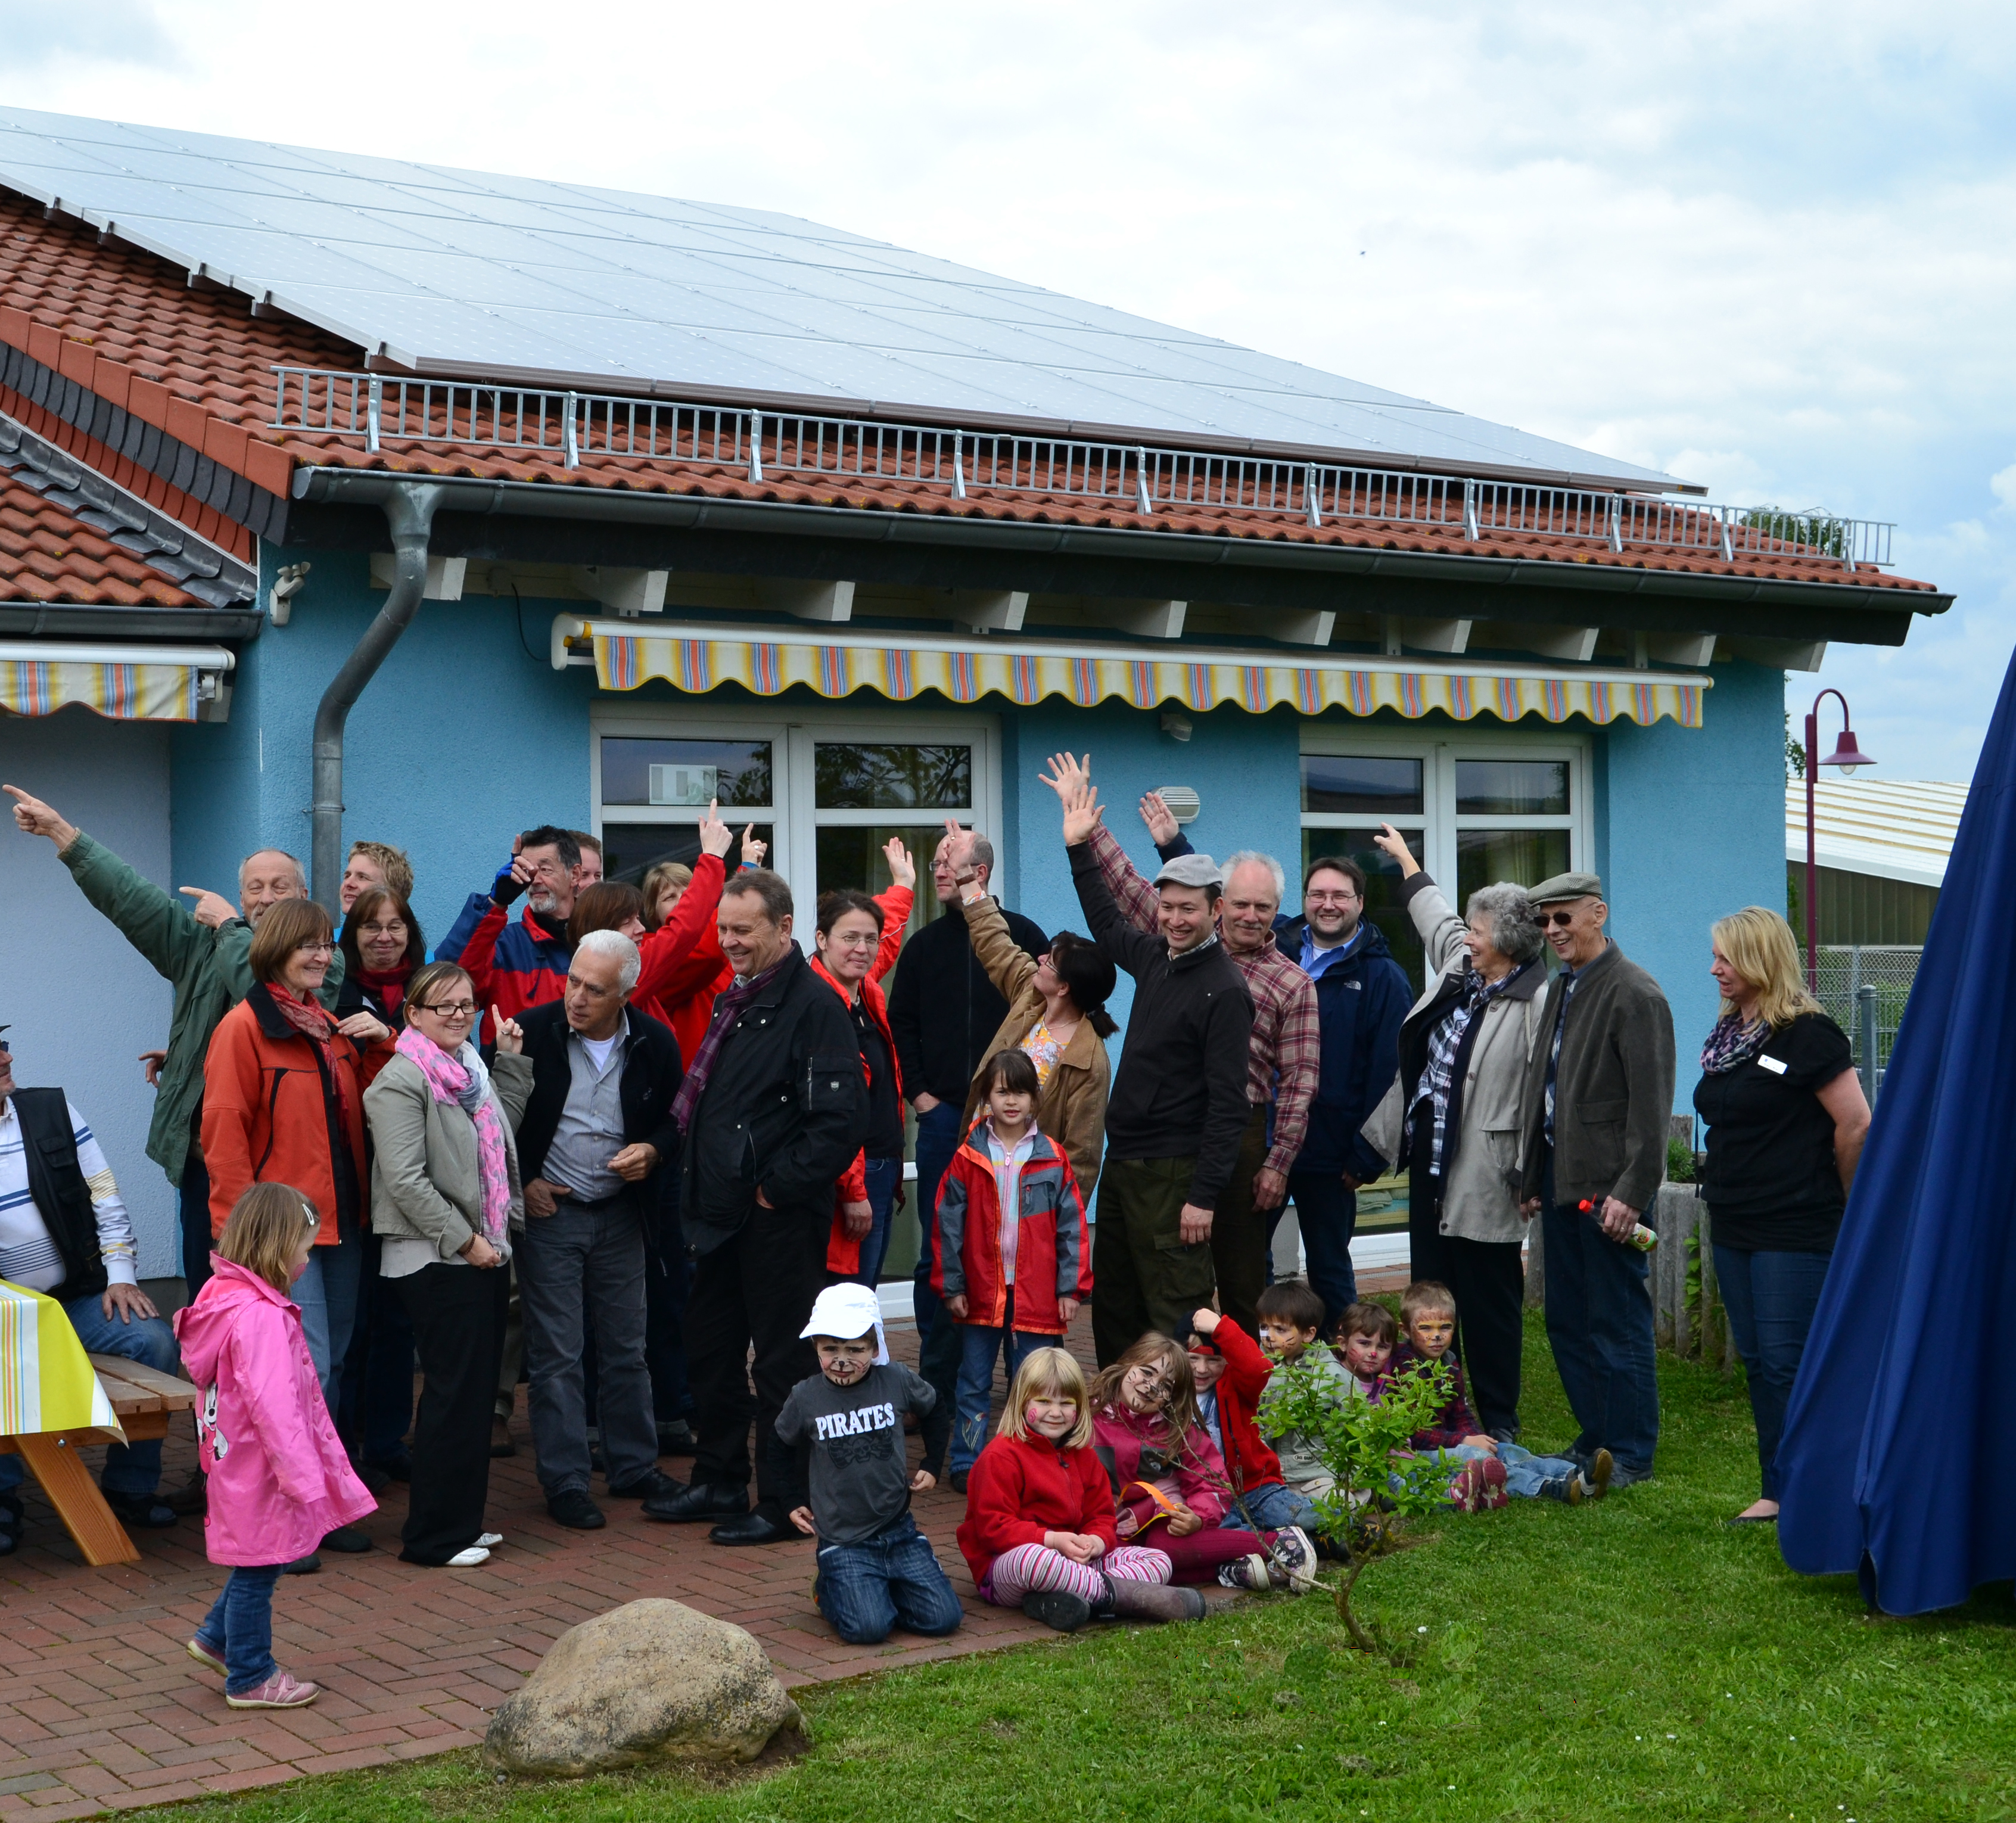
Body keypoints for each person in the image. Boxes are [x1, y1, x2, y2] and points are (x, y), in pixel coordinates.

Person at [5, 785, 332, 1311]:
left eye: (279, 887)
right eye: (253, 888)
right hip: (206, 1161)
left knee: (290, 1312)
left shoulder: (322, 962)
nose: (265, 898)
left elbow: (261, 989)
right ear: (241, 893)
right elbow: (134, 901)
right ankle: (213, 1395)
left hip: (286, 1174)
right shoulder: (200, 945)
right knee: (212, 1296)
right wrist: (64, 836)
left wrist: (229, 925)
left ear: (303, 893)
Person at [645, 870, 866, 1545]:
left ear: (784, 928)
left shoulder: (814, 1005)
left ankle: (782, 1500)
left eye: (744, 930)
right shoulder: (737, 997)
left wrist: (776, 1191)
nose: (730, 943)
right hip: (717, 1217)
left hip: (774, 1220)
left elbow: (837, 1124)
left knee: (779, 1364)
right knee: (709, 1348)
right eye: (724, 931)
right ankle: (717, 1478)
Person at [1074, 782, 1319, 1337]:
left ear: (1276, 912)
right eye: (1242, 904)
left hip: (1244, 1129)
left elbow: (1301, 1083)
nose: (1251, 915)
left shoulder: (1291, 982)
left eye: (1263, 907)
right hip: (1179, 1135)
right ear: (1222, 906)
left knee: (1238, 1275)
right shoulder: (1170, 951)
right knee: (1168, 1269)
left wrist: (1278, 1163)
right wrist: (1089, 830)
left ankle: (1242, 1398)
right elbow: (1139, 893)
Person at [1043, 758, 1253, 1363]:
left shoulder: (1225, 990)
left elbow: (1227, 1105)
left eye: (1188, 909)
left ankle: (1176, 1446)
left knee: (1173, 1318)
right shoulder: (1158, 957)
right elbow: (1108, 925)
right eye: (1167, 907)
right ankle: (1118, 1433)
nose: (1175, 919)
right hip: (1126, 1166)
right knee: (1114, 1306)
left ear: (1215, 911)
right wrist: (1078, 847)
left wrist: (1204, 1198)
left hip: (1175, 1176)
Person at [1361, 827, 1547, 1439]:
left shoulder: (1535, 1002)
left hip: (1488, 1179)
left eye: (1480, 931)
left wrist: (1533, 1171)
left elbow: (1546, 1097)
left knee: (1488, 1307)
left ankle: (1499, 1421)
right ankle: (1435, 1415)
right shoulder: (1461, 968)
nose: (1468, 936)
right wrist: (1407, 861)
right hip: (1432, 1169)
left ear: (1510, 947)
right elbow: (1436, 919)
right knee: (1431, 1302)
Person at [201, 898, 393, 1465]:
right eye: (308, 944)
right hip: (280, 1236)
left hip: (342, 1227)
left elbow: (377, 1102)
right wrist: (239, 1233)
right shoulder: (244, 1028)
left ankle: (321, 1493)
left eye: (327, 944)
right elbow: (223, 1133)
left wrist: (381, 1041)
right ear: (275, 950)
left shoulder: (331, 1027)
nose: (321, 955)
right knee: (299, 1364)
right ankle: (293, 1500)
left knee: (328, 1363)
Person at [1694, 906, 1869, 1525]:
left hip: (1794, 1225)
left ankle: (1825, 1491)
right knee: (1760, 1362)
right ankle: (1779, 1488)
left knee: (1791, 1362)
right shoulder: (1730, 1037)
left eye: (1726, 958)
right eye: (1715, 957)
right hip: (1734, 1219)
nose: (1715, 969)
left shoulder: (1809, 1034)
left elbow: (1855, 1124)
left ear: (1761, 960)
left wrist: (1848, 1202)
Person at [175, 1183, 376, 1708]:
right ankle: (250, 1675)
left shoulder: (223, 1298)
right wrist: (302, 1475)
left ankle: (216, 1638)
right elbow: (276, 1408)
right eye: (305, 1249)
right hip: (263, 1466)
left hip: (234, 1462)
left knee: (257, 1559)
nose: (308, 1261)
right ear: (277, 1246)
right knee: (262, 1568)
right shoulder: (262, 1316)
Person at [512, 931, 683, 1528]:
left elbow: (675, 1121)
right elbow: (491, 1120)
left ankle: (632, 1465)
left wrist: (653, 1152)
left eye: (595, 989)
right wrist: (525, 1179)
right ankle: (564, 1480)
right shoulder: (530, 1032)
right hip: (552, 1213)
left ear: (627, 995)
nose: (577, 998)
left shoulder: (655, 1043)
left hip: (621, 1213)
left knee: (626, 1349)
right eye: (573, 982)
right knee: (557, 1354)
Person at [363, 963, 530, 1567]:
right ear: (412, 1014)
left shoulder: (469, 1074)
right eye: (444, 1007)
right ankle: (431, 1538)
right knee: (452, 1394)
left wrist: (509, 1062)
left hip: (479, 1250)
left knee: (475, 1394)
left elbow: (494, 1139)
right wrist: (465, 1241)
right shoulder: (400, 1081)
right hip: (434, 1256)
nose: (459, 1015)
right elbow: (405, 1181)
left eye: (466, 1005)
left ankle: (462, 1524)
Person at [1516, 871, 1675, 1490]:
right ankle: (1596, 1434)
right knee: (1568, 1319)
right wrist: (1532, 1173)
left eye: (1565, 919)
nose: (1554, 931)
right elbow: (1542, 1090)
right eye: (1544, 922)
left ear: (1598, 913)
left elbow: (1651, 1106)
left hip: (1610, 1188)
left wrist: (1631, 1195)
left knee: (1616, 1320)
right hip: (1563, 1177)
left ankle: (1631, 1450)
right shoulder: (1563, 988)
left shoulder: (1635, 993)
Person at [0, 1027, 183, 1548]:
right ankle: (4, 1494)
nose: (7, 1056)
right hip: (6, 1321)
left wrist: (120, 1275)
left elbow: (104, 1194)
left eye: (4, 1043)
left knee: (151, 1340)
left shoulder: (51, 1110)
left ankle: (131, 1488)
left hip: (75, 1299)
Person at [886, 823, 1047, 1404]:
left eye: (945, 860)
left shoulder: (1025, 938)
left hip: (1010, 1128)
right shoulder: (925, 946)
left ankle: (1012, 1388)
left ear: (978, 872)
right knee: (938, 1251)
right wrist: (923, 1098)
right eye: (933, 862)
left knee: (1010, 1252)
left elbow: (1049, 1020)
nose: (936, 871)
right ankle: (937, 1386)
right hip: (943, 1120)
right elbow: (899, 1024)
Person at [956, 1346, 1204, 1632]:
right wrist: (1051, 1540)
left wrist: (1097, 1541)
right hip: (1007, 1566)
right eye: (1044, 1401)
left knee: (1157, 1558)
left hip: (1076, 1563)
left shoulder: (1083, 1455)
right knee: (1037, 1561)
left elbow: (1102, 1517)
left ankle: (1066, 1600)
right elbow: (993, 1529)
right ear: (1022, 1402)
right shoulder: (1001, 1455)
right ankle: (1118, 1597)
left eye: (1066, 1404)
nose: (1055, 1413)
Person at [935, 1050, 1091, 1489]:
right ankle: (968, 1462)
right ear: (987, 1097)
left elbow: (1072, 1229)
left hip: (1037, 1297)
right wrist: (953, 1285)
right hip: (982, 1294)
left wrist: (1070, 1290)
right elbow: (947, 1226)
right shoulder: (967, 1156)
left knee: (1036, 1384)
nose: (1011, 1101)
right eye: (1002, 1091)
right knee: (973, 1383)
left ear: (1034, 1099)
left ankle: (1033, 1461)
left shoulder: (1053, 1156)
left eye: (1020, 1092)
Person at [1270, 850, 1411, 1331]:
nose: (1327, 904)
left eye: (1339, 896)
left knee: (1330, 1272)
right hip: (1266, 1140)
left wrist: (1366, 1154)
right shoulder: (1277, 950)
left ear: (1360, 902)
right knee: (1249, 1265)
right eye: (1318, 895)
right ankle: (1258, 1375)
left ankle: (1350, 1379)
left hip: (1332, 1154)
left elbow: (1393, 1074)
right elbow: (1224, 906)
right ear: (1304, 900)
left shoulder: (1382, 978)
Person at [776, 1283, 962, 1647]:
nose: (842, 1360)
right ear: (815, 1346)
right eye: (830, 1349)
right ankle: (831, 1589)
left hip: (899, 1532)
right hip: (843, 1540)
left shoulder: (897, 1379)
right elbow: (779, 1445)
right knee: (868, 1630)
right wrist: (788, 1499)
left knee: (945, 1619)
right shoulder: (806, 1397)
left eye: (855, 1349)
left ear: (875, 1348)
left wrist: (933, 1462)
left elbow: (935, 1408)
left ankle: (878, 1589)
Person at [939, 820, 1115, 1199]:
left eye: (1049, 961)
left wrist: (1059, 1224)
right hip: (977, 1169)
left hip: (1029, 1198)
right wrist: (966, 877)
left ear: (1065, 987)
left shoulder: (1089, 1060)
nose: (1039, 958)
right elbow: (994, 940)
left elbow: (1082, 1157)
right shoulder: (1030, 998)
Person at [1089, 1333, 1316, 1591]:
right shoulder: (1088, 1417)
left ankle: (1277, 1542)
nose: (1151, 1386)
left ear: (1174, 1397)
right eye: (1147, 1372)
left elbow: (1214, 1484)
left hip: (1158, 1521)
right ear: (1126, 1365)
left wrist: (1197, 1517)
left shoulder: (1177, 1429)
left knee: (1163, 1547)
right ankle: (1229, 1569)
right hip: (1107, 1526)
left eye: (1166, 1385)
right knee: (1124, 1564)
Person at [807, 841, 917, 1287]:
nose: (862, 948)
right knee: (846, 1299)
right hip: (853, 1177)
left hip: (883, 1167)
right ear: (821, 940)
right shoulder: (819, 1004)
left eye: (868, 938)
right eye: (848, 938)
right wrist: (854, 1192)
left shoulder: (862, 989)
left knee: (863, 1290)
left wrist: (904, 886)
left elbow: (884, 941)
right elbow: (833, 1112)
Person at [1390, 1280, 1609, 1505]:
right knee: (1480, 1459)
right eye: (1425, 1328)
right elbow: (1415, 1434)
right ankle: (1548, 1487)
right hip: (1419, 1455)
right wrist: (1464, 1441)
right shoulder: (1404, 1370)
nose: (1436, 1336)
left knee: (1508, 1450)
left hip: (1452, 1445)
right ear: (1405, 1330)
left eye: (1445, 1327)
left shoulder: (1449, 1363)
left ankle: (1579, 1474)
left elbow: (1461, 1413)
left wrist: (1478, 1438)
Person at [1184, 1306, 1324, 1539]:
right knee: (1228, 1536)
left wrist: (1221, 1328)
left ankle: (1349, 1527)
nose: (1201, 1369)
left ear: (1227, 1361)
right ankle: (1301, 1542)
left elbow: (1258, 1368)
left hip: (1256, 1489)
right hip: (1208, 1496)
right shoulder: (1171, 1394)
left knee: (1304, 1516)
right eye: (1193, 1358)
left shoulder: (1236, 1386)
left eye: (1213, 1360)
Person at [438, 825, 580, 1040]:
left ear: (575, 875)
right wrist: (495, 903)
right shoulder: (503, 944)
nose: (535, 880)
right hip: (509, 1071)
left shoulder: (596, 942)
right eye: (527, 870)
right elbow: (445, 983)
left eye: (545, 869)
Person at [337, 886, 425, 1030]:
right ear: (353, 935)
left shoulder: (431, 990)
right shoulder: (333, 993)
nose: (384, 938)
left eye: (395, 927)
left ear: (409, 935)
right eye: (372, 927)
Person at [1335, 1299, 1398, 1398]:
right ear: (1343, 1344)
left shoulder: (1387, 1379)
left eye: (1382, 1347)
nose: (1373, 1353)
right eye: (1365, 1343)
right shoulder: (1333, 1377)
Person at [339, 841, 413, 916]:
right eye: (347, 876)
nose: (348, 883)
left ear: (392, 890)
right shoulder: (328, 929)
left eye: (362, 877)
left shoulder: (410, 928)